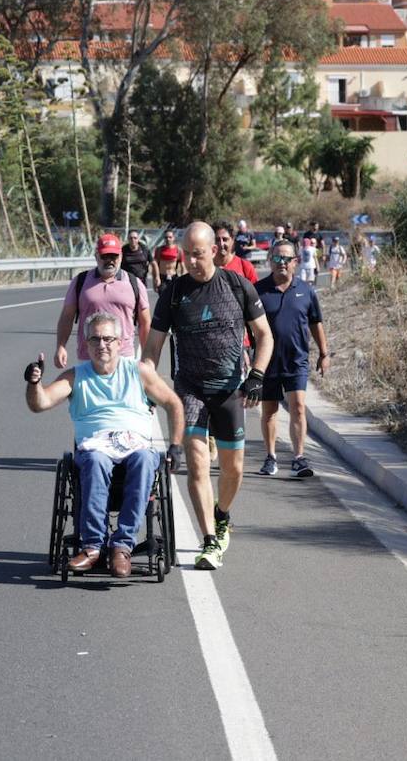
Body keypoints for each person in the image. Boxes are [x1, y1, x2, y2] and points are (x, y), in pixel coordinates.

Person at [142, 222, 274, 571]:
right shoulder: (174, 292)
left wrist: (257, 375)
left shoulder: (237, 285)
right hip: (190, 390)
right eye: (186, 254)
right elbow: (153, 347)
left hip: (229, 390)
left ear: (214, 251)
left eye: (197, 255)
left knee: (234, 469)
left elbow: (264, 335)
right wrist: (147, 384)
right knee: (198, 464)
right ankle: (210, 540)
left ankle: (222, 514)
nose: (190, 261)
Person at [25, 311, 185, 578]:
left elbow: (173, 403)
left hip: (135, 443)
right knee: (95, 460)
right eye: (95, 339)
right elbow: (39, 403)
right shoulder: (75, 376)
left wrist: (176, 446)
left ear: (120, 342)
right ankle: (93, 547)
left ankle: (122, 547)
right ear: (86, 344)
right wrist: (34, 383)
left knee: (145, 459)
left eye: (108, 339)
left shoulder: (138, 372)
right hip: (95, 446)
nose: (102, 345)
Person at [254, 241, 331, 479]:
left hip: (297, 360)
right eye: (277, 258)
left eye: (287, 259)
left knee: (298, 407)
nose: (282, 263)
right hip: (267, 362)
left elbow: (315, 322)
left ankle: (299, 458)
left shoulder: (306, 291)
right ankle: (271, 457)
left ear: (295, 262)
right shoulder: (258, 291)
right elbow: (247, 326)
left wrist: (324, 353)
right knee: (269, 410)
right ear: (270, 261)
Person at [54, 233, 150, 369]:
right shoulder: (80, 281)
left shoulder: (134, 283)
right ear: (96, 256)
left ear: (121, 256)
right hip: (88, 357)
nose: (109, 260)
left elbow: (145, 323)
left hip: (123, 357)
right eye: (105, 256)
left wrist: (147, 355)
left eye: (113, 256)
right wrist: (61, 346)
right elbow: (67, 317)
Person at [151, 228, 183, 292]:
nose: (168, 239)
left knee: (174, 297)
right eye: (166, 237)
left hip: (173, 277)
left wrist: (182, 280)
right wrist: (155, 279)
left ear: (173, 238)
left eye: (170, 237)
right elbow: (155, 266)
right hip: (162, 278)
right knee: (163, 296)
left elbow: (183, 267)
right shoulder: (159, 250)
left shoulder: (178, 250)